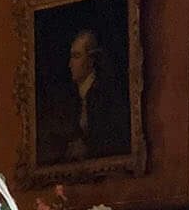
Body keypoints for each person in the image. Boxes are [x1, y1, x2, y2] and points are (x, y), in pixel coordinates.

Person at [40, 27, 129, 164]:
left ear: (92, 59)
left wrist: (88, 147)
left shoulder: (109, 96)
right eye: (71, 57)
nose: (70, 64)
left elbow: (117, 138)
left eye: (76, 56)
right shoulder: (67, 100)